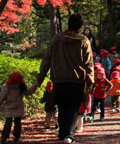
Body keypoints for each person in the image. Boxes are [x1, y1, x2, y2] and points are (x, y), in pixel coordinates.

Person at [37, 13, 94, 144]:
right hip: (77, 80)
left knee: (62, 107)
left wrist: (40, 77)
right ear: (80, 26)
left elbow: (47, 58)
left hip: (59, 79)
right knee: (73, 108)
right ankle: (68, 135)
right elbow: (88, 63)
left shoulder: (57, 39)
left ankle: (62, 134)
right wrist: (90, 82)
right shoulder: (83, 40)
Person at [0, 71, 37, 144]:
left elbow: (28, 92)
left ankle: (17, 136)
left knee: (18, 123)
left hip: (18, 107)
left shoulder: (22, 87)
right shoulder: (5, 88)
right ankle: (4, 137)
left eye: (17, 83)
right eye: (15, 83)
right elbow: (0, 100)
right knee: (8, 123)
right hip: (9, 108)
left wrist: (35, 85)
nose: (16, 85)